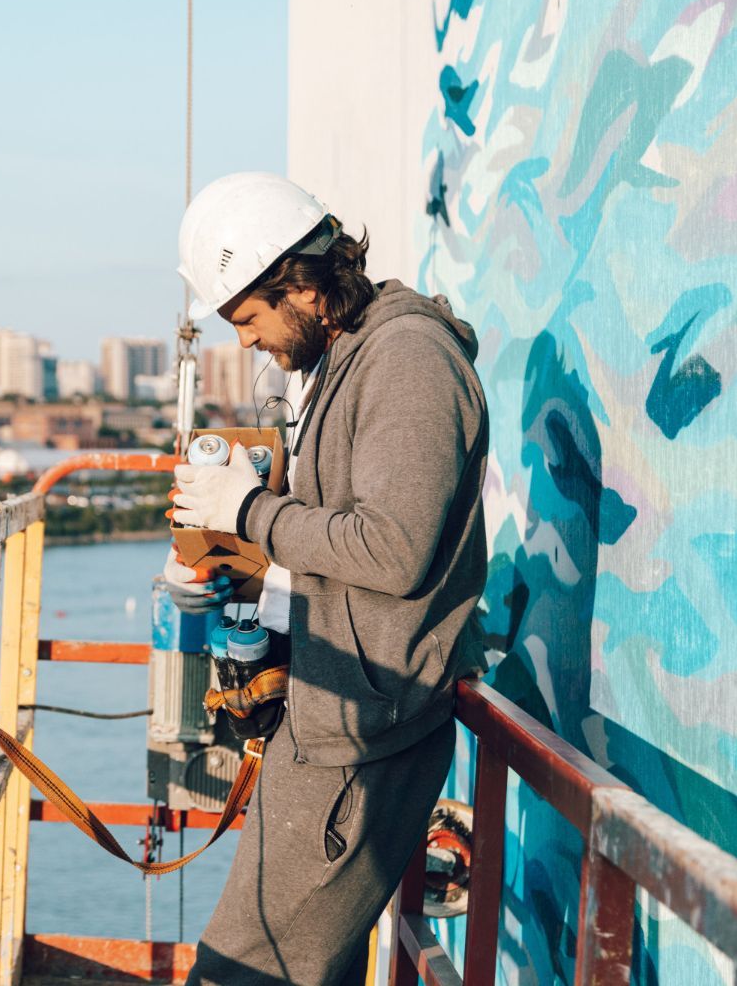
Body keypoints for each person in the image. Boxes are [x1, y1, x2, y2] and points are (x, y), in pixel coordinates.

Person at [165, 173, 490, 985]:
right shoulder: (351, 357)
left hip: (361, 740)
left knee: (240, 976)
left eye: (247, 317)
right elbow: (349, 546)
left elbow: (391, 550)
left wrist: (249, 512)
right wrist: (241, 577)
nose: (243, 340)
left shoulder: (409, 359)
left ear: (301, 285)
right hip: (333, 719)